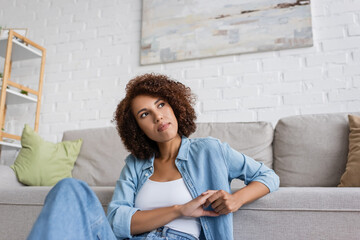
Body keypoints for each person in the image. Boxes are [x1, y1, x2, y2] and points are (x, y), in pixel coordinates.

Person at [27, 73, 279, 240]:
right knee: (69, 188)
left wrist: (236, 200)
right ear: (137, 127)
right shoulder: (135, 165)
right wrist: (180, 209)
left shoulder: (210, 150)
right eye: (144, 114)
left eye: (161, 105)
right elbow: (116, 221)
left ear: (175, 107)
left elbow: (267, 176)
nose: (158, 116)